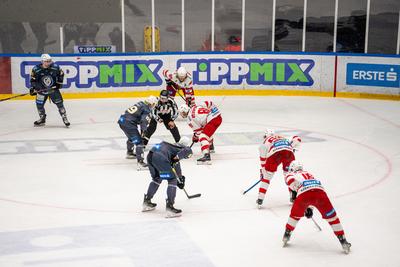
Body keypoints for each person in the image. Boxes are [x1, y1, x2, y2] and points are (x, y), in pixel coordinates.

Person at [282, 161, 352, 254]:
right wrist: (310, 208)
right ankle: (343, 241)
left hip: (303, 195)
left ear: (292, 169)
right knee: (333, 219)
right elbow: (313, 191)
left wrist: (295, 193)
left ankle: (287, 234)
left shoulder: (291, 174)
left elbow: (290, 181)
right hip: (320, 194)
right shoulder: (309, 174)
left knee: (294, 216)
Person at [142, 136, 193, 218]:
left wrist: (180, 178)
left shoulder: (172, 147)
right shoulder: (182, 149)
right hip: (160, 157)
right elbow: (188, 150)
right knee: (172, 179)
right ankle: (170, 207)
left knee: (157, 178)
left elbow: (176, 165)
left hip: (151, 155)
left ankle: (147, 201)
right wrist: (177, 180)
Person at [257, 130, 301, 207]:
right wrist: (292, 148)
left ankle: (260, 199)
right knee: (289, 175)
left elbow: (263, 157)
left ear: (266, 135)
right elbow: (297, 138)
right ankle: (293, 197)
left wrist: (263, 171)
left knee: (267, 177)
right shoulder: (281, 137)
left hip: (275, 154)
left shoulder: (265, 142)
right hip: (288, 152)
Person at [29, 54, 69, 127]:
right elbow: (33, 80)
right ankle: (42, 118)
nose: (48, 63)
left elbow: (61, 74)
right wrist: (34, 88)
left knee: (60, 104)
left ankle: (64, 117)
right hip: (41, 91)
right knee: (39, 105)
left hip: (53, 90)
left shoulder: (55, 67)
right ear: (42, 61)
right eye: (46, 61)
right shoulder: (36, 69)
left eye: (50, 61)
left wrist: (58, 84)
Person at [118, 96, 158, 169]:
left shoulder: (141, 103)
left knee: (132, 137)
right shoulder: (147, 109)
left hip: (122, 120)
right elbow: (144, 121)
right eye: (154, 104)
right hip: (129, 123)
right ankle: (140, 162)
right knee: (139, 142)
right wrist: (144, 131)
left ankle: (129, 153)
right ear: (151, 104)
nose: (154, 106)